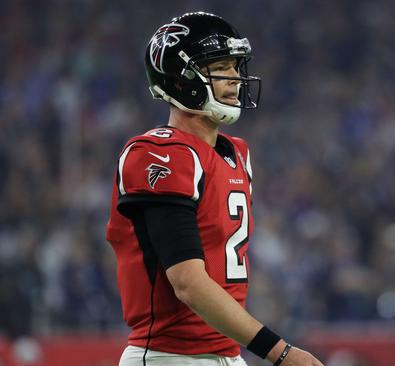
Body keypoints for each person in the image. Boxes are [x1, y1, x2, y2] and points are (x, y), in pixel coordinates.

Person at [106, 11, 325, 366]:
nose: (236, 78)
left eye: (237, 67)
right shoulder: (159, 153)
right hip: (169, 356)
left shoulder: (235, 153)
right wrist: (279, 351)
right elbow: (188, 282)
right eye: (221, 67)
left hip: (225, 354)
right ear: (181, 78)